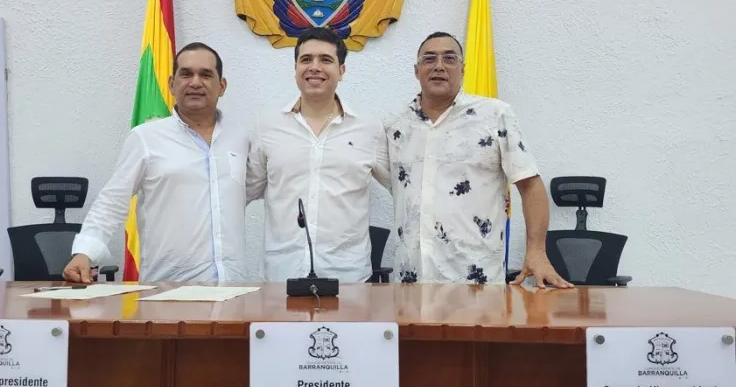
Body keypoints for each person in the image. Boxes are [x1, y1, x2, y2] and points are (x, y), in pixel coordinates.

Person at [383, 31, 572, 288]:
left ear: (463, 68)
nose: (439, 66)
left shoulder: (495, 116)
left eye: (449, 58)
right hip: (410, 280)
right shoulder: (395, 127)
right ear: (417, 71)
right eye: (429, 59)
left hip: (475, 282)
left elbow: (530, 184)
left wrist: (537, 251)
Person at [62, 42, 250, 284]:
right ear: (172, 84)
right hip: (167, 290)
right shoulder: (146, 138)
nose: (195, 82)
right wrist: (85, 252)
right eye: (186, 74)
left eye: (205, 75)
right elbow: (112, 201)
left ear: (222, 86)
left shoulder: (240, 138)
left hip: (232, 288)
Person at [246, 27, 390, 283]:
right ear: (295, 69)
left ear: (341, 71)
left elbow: (402, 187)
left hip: (349, 278)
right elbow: (244, 192)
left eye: (326, 60)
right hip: (281, 277)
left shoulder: (370, 129)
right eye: (306, 59)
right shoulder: (266, 126)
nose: (314, 67)